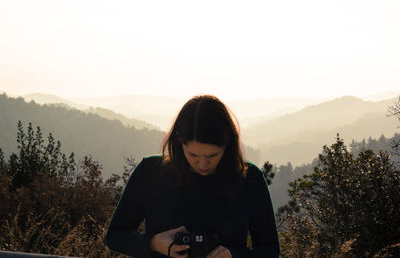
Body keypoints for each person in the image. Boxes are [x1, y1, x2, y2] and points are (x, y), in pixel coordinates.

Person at [105, 95, 280, 258]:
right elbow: (115, 236)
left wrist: (233, 255)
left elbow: (270, 250)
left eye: (213, 156)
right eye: (193, 155)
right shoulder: (151, 173)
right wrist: (153, 243)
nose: (203, 164)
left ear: (228, 145)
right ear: (179, 142)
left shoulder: (249, 179)